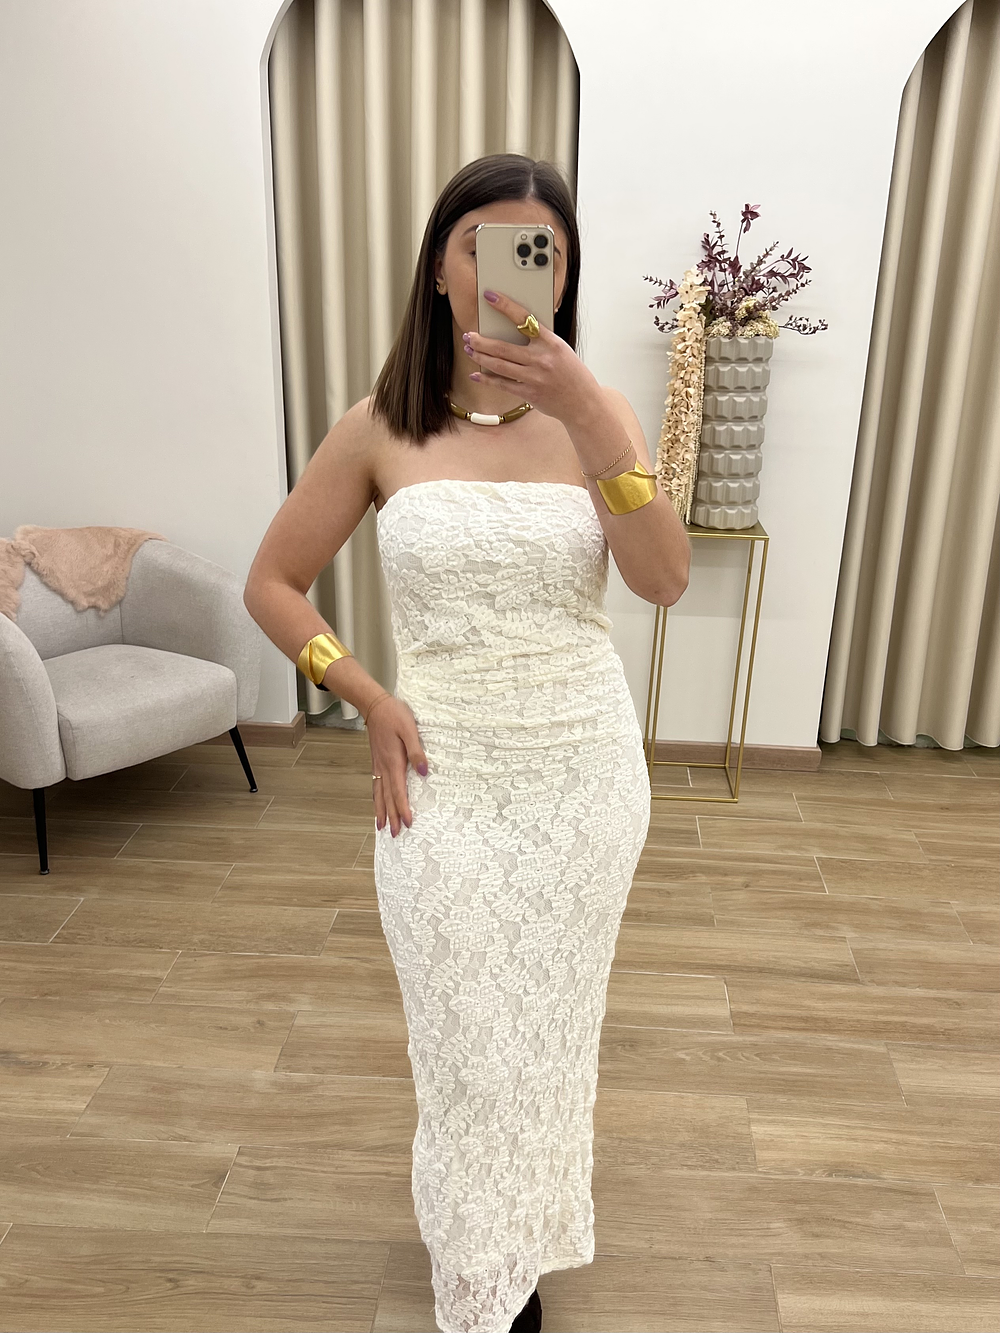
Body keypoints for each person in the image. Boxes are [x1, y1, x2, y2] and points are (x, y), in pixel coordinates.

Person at [244, 153, 691, 1333]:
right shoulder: (378, 427)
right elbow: (272, 583)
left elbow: (663, 581)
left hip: (582, 774)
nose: (511, 273)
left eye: (542, 253)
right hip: (442, 778)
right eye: (484, 244)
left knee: (548, 1037)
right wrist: (362, 693)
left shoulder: (599, 420)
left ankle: (512, 1261)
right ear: (441, 266)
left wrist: (591, 418)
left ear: (561, 276)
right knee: (464, 1043)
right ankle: (480, 1277)